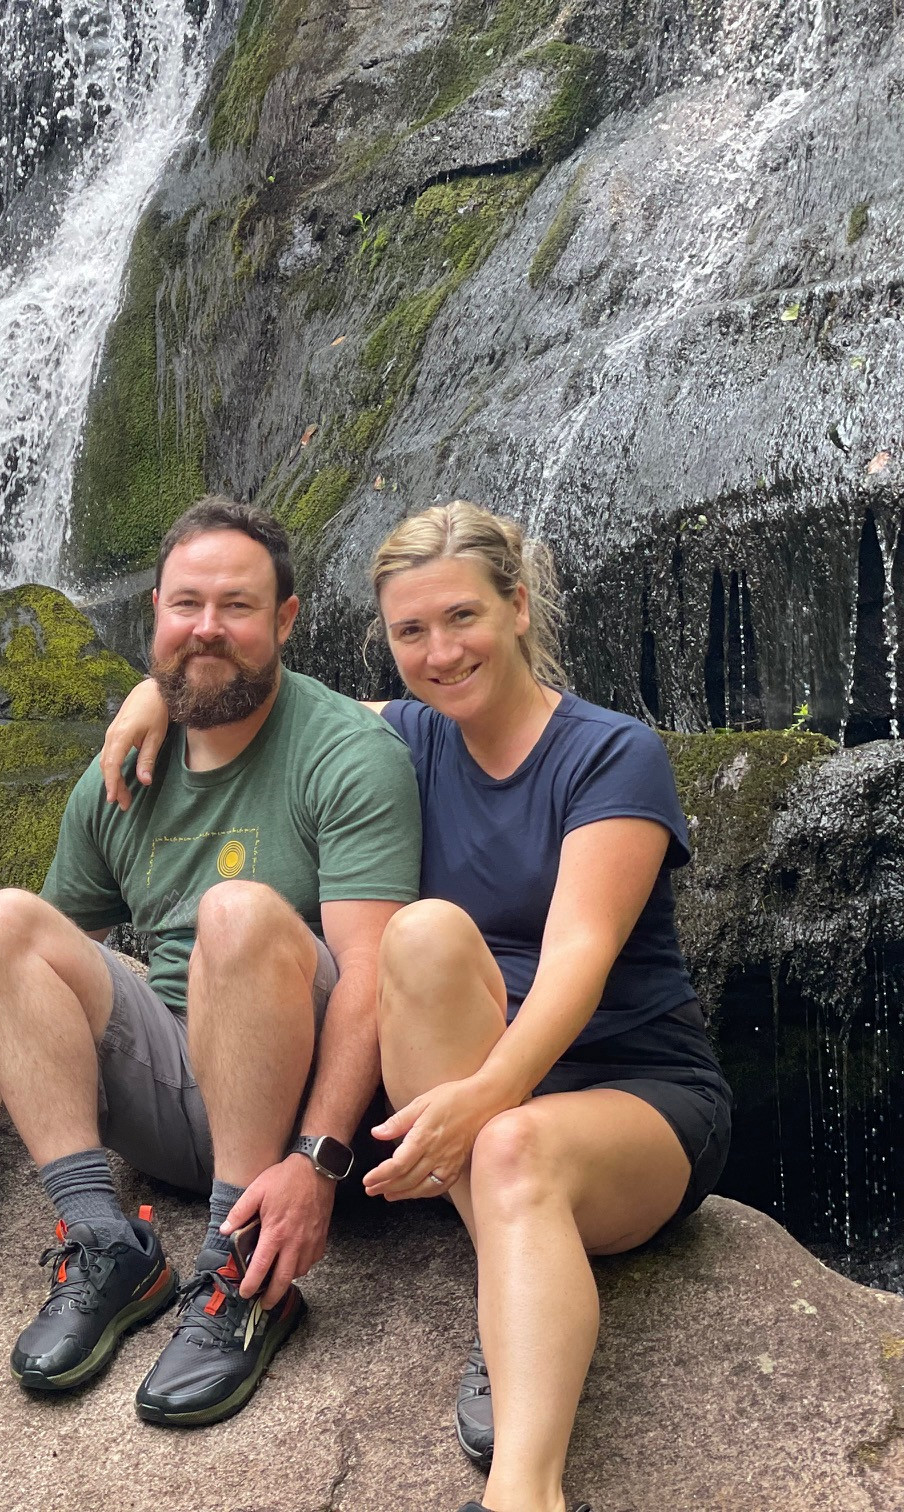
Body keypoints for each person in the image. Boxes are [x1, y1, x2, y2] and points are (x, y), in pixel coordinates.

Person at [104, 501, 731, 1512]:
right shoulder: (405, 736)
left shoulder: (614, 755)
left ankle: (522, 1487)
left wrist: (484, 1097)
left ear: (517, 607)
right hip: (469, 1089)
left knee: (512, 1141)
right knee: (423, 935)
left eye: (463, 617)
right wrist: (151, 694)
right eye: (411, 631)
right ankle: (511, 1275)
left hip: (630, 1094)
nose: (440, 653)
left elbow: (577, 957)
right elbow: (249, 687)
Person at [0, 498, 421, 1424]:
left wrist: (319, 1161)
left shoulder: (345, 752)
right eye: (187, 604)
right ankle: (105, 1244)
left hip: (292, 1109)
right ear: (155, 614)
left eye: (237, 606)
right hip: (167, 1091)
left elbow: (376, 975)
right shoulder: (122, 768)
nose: (207, 627)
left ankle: (239, 1274)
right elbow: (41, 972)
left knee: (235, 912)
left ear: (285, 620)